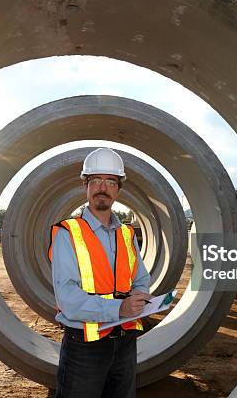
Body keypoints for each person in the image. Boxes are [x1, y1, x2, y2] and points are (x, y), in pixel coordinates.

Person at [49, 147, 152, 398]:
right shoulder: (67, 233)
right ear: (85, 186)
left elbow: (141, 279)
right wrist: (118, 309)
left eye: (110, 181)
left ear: (118, 188)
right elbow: (67, 296)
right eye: (95, 180)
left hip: (125, 341)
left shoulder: (127, 234)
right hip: (85, 345)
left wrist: (139, 299)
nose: (101, 187)